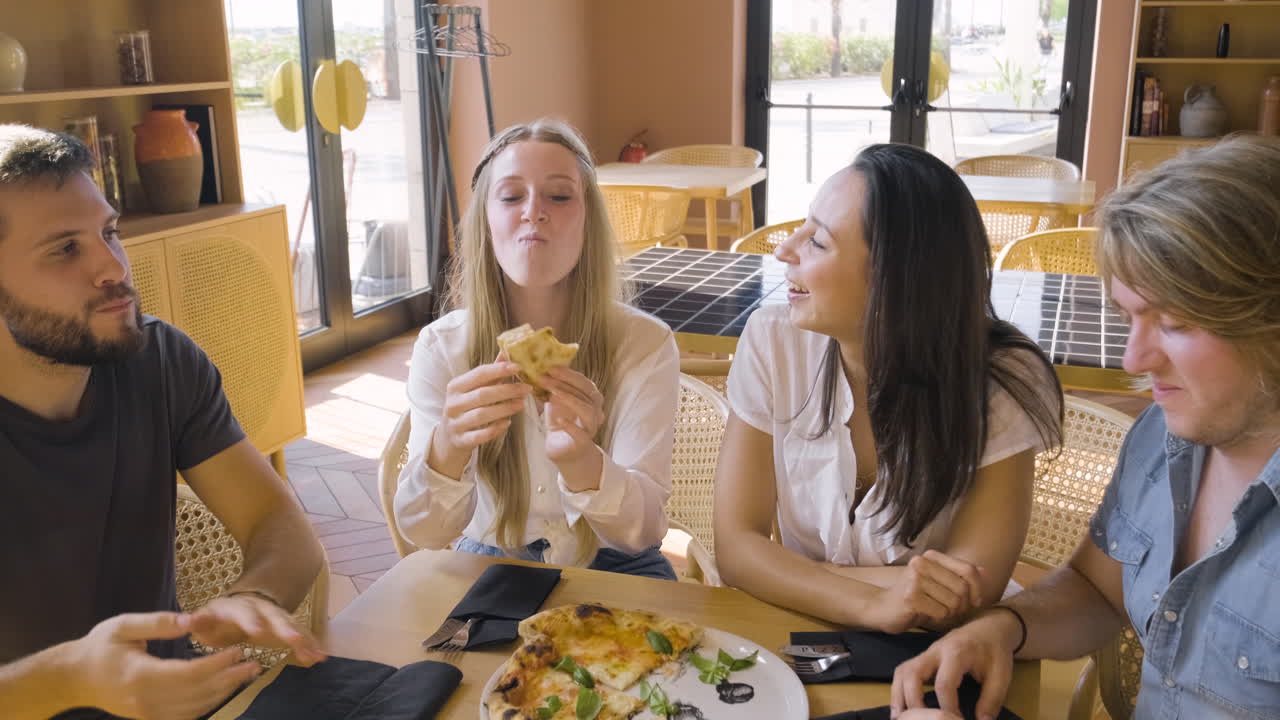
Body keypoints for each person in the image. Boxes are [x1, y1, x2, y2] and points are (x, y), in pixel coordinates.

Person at [891, 135, 1280, 720]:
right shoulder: (1162, 437)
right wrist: (1004, 627)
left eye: (1173, 322)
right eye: (1131, 316)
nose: (1134, 358)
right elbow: (1098, 589)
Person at [0, 125, 326, 720]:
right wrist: (68, 679)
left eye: (109, 232)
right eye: (65, 249)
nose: (113, 267)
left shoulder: (160, 361)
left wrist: (254, 593)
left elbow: (278, 522)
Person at [713, 143, 1063, 633]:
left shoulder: (1002, 380)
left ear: (895, 278)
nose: (784, 249)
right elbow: (735, 548)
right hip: (798, 632)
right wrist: (869, 603)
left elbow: (968, 589)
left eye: (818, 242)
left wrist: (790, 575)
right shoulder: (774, 340)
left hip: (935, 650)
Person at [393, 119, 680, 579]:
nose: (533, 211)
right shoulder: (442, 347)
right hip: (492, 560)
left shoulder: (644, 344)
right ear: (485, 221)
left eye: (560, 196)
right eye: (510, 197)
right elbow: (423, 533)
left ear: (589, 220)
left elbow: (641, 533)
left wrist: (582, 461)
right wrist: (449, 443)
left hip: (619, 567)